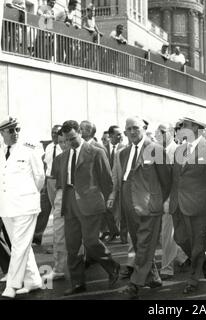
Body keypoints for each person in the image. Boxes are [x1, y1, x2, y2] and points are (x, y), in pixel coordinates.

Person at [108, 117, 171, 299]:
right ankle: (153, 277)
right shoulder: (123, 153)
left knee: (143, 244)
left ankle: (135, 284)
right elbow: (122, 180)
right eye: (129, 129)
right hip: (128, 204)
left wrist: (161, 201)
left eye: (136, 128)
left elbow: (166, 180)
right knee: (138, 243)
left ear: (143, 128)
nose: (132, 131)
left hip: (150, 205)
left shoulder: (156, 149)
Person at [58, 120, 120, 296]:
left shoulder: (96, 153)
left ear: (80, 132)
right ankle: (78, 283)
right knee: (72, 246)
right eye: (67, 139)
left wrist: (111, 204)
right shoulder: (63, 156)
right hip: (70, 203)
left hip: (90, 204)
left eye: (73, 138)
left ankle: (112, 266)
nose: (70, 142)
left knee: (91, 242)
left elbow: (107, 181)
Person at [170, 117, 206, 294]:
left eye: (184, 126)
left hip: (199, 205)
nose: (181, 128)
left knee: (197, 244)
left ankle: (193, 279)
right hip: (178, 204)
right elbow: (175, 179)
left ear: (195, 128)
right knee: (181, 239)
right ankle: (203, 261)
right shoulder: (179, 149)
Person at [0, 116, 45, 299]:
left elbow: (39, 178)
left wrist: (29, 195)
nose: (15, 133)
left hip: (26, 205)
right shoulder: (2, 151)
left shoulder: (29, 149)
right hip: (7, 206)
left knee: (19, 246)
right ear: (2, 133)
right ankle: (33, 280)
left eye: (17, 129)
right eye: (10, 130)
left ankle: (12, 285)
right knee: (22, 245)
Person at [154, 123, 189, 280]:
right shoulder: (155, 151)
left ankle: (167, 268)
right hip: (158, 197)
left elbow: (180, 178)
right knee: (168, 233)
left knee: (167, 234)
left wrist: (169, 198)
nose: (159, 134)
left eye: (163, 131)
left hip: (172, 198)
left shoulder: (178, 151)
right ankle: (184, 257)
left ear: (171, 133)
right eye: (157, 132)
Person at [42, 128, 69, 281]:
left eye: (66, 141)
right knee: (59, 232)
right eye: (61, 142)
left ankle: (102, 262)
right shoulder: (58, 158)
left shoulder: (90, 153)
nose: (64, 145)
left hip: (80, 200)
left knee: (87, 238)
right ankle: (58, 268)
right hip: (59, 190)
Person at [34, 125, 63, 247]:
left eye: (57, 132)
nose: (54, 134)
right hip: (48, 180)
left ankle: (57, 242)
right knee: (43, 209)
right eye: (52, 132)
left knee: (58, 212)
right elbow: (46, 164)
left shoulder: (64, 146)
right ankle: (37, 237)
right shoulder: (50, 147)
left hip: (59, 181)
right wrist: (44, 183)